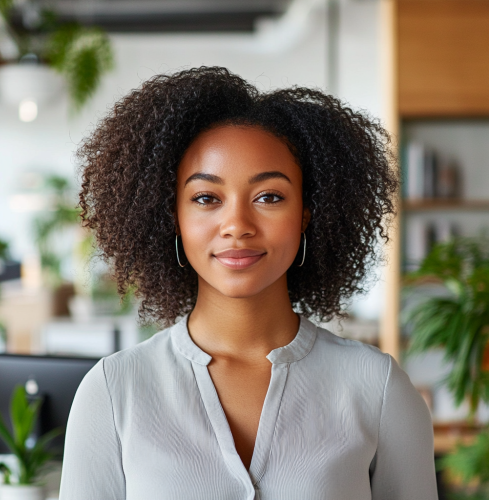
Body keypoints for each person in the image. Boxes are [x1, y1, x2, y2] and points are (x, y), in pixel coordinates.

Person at [59, 67, 438, 500]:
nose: (236, 225)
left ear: (306, 214)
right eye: (206, 198)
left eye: (269, 197)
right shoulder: (113, 390)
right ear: (173, 218)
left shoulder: (379, 389)